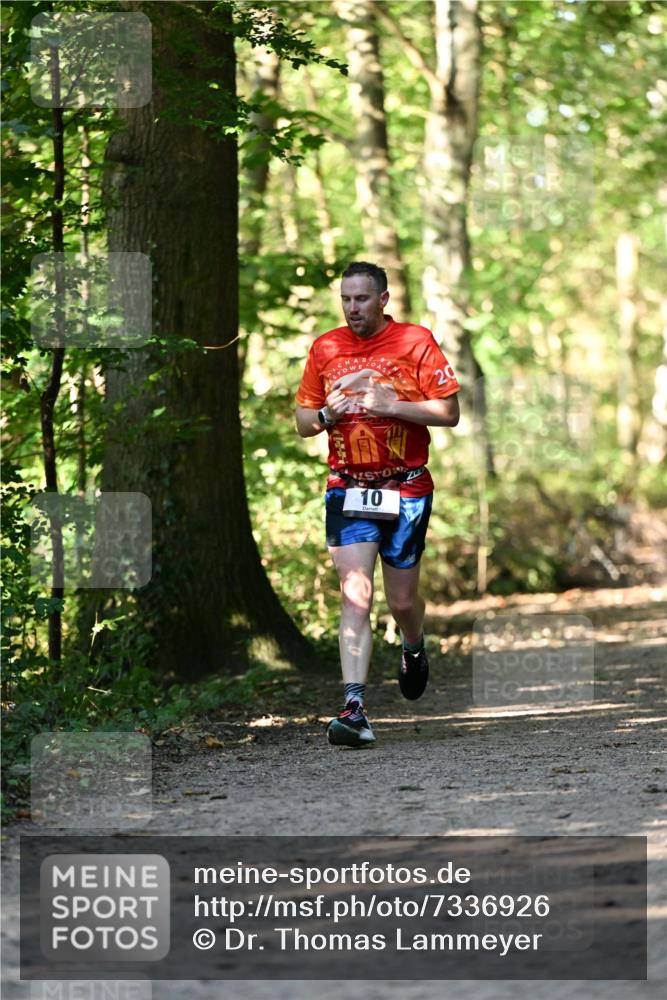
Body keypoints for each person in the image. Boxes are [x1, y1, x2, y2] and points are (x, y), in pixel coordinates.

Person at [295, 261, 460, 748]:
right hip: (348, 488)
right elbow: (303, 422)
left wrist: (391, 406)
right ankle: (354, 709)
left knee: (402, 602)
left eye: (362, 299)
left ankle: (414, 644)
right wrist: (327, 414)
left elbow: (449, 411)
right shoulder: (326, 348)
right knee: (355, 594)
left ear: (383, 299)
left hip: (405, 487)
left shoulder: (415, 341)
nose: (352, 308)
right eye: (346, 299)